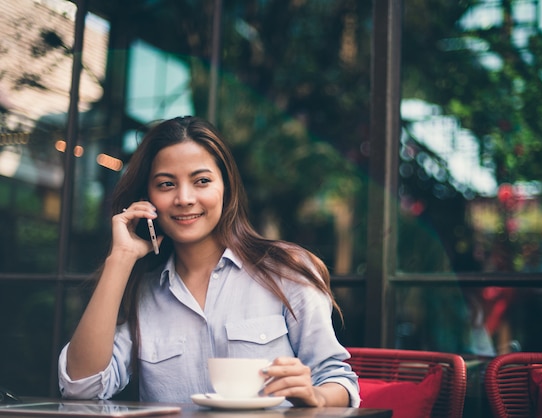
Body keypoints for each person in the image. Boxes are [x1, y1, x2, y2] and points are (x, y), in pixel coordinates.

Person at [58, 116, 359, 407]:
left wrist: (315, 396)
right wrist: (120, 259)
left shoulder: (286, 269)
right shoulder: (141, 292)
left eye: (201, 181)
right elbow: (80, 387)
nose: (185, 198)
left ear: (226, 188)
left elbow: (338, 380)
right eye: (166, 184)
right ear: (147, 198)